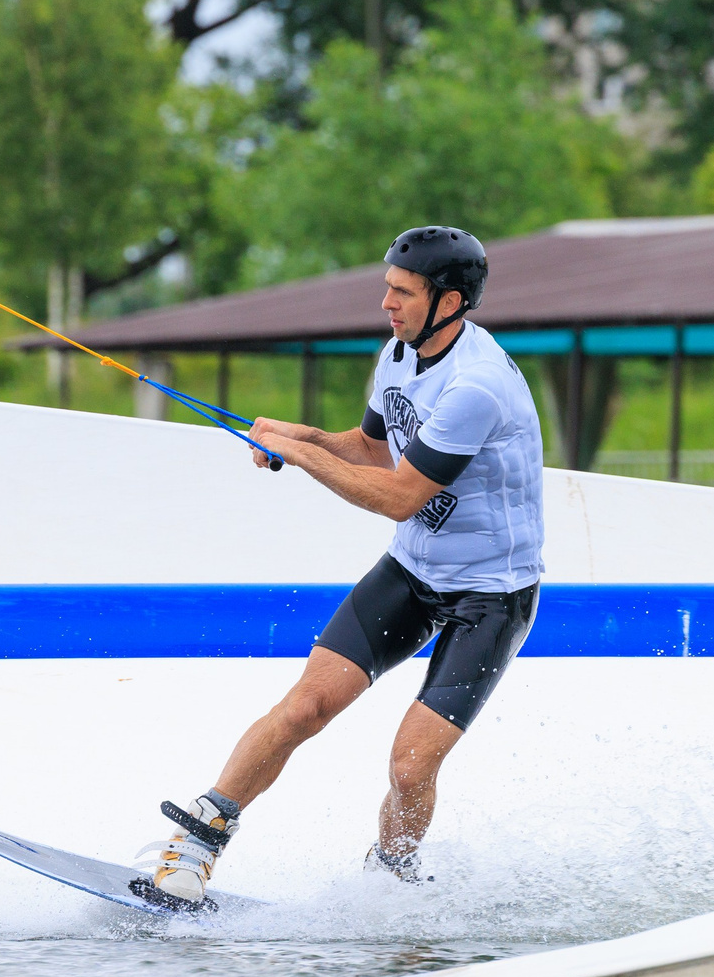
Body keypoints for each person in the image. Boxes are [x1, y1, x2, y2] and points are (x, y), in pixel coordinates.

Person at [133, 226, 547, 906]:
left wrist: (303, 459)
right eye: (386, 286)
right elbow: (368, 447)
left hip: (490, 597)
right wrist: (301, 436)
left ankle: (390, 885)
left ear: (449, 302)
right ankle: (197, 844)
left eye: (402, 291)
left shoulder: (478, 386)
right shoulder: (397, 353)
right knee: (304, 707)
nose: (386, 302)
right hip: (413, 572)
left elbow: (399, 494)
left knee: (411, 764)